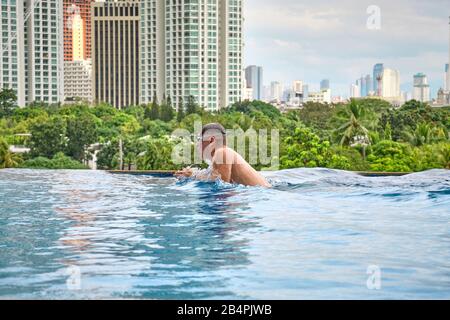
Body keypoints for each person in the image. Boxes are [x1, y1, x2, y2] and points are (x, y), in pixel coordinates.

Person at [175, 123, 271, 187]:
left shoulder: (222, 152)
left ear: (212, 140)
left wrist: (193, 175)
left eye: (199, 139)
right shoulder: (223, 153)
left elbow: (222, 184)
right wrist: (193, 174)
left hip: (264, 197)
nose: (197, 143)